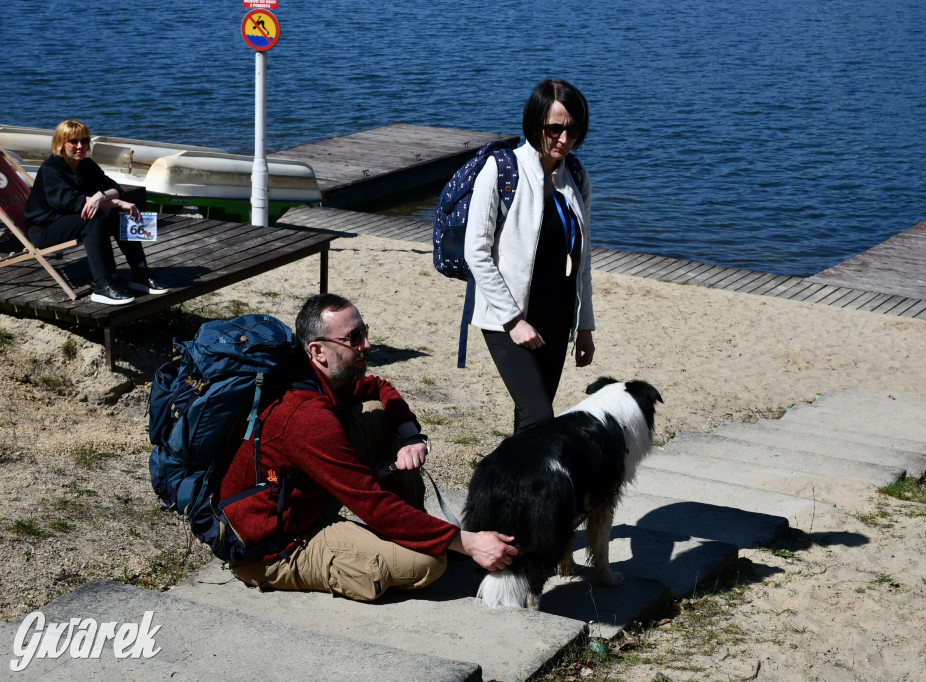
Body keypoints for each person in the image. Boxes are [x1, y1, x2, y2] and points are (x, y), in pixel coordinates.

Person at [220, 293, 518, 601]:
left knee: (376, 410)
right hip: (274, 545)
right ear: (318, 351)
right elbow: (371, 504)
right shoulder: (307, 417)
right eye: (353, 338)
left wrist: (411, 437)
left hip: (299, 500)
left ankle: (409, 528)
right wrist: (467, 542)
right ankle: (382, 547)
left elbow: (378, 386)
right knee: (429, 562)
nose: (366, 345)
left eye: (365, 332)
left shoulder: (311, 373)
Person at [464, 79, 596, 433]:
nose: (564, 140)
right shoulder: (502, 170)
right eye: (555, 129)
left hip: (557, 318)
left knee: (529, 422)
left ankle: (514, 489)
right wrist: (512, 321)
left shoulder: (577, 176)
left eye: (573, 130)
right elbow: (476, 252)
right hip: (508, 318)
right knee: (540, 419)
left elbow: (581, 261)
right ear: (536, 124)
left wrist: (584, 325)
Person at [22, 119, 167, 305]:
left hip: (70, 219)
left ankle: (140, 272)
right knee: (93, 216)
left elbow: (115, 187)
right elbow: (73, 202)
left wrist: (101, 196)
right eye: (73, 141)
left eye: (84, 140)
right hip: (45, 228)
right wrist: (116, 201)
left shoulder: (86, 165)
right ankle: (102, 286)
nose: (80, 146)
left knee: (118, 214)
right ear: (60, 142)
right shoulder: (51, 168)